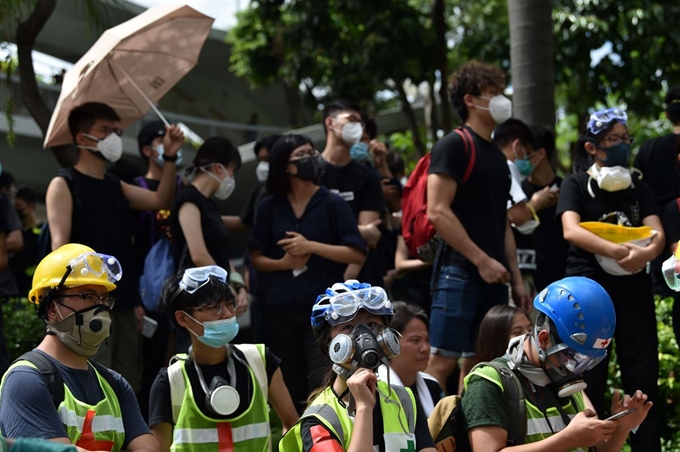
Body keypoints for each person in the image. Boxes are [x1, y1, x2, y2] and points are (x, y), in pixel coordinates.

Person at [45, 102, 184, 392]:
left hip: (119, 300)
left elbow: (161, 200)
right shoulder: (64, 183)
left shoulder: (115, 185)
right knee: (90, 379)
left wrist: (169, 156)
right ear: (82, 138)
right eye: (105, 131)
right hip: (84, 303)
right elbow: (60, 249)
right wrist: (71, 302)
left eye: (116, 131)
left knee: (125, 383)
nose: (114, 138)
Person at [556, 107, 663, 451]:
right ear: (592, 147)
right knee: (588, 378)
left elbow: (657, 233)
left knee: (643, 373)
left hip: (633, 289)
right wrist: (616, 250)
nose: (621, 146)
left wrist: (645, 254)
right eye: (612, 140)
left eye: (624, 139)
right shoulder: (575, 185)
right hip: (588, 296)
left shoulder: (638, 185)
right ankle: (589, 445)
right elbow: (570, 230)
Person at [425, 61, 527, 394]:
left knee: (481, 363)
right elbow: (437, 211)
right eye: (493, 93)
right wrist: (481, 260)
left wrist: (516, 276)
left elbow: (503, 222)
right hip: (459, 273)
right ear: (470, 100)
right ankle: (431, 439)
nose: (501, 100)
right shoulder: (453, 145)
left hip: (495, 277)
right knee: (441, 363)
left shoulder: (498, 157)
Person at [462, 277, 652, 451]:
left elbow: (595, 449)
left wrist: (623, 427)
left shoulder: (566, 380)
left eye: (589, 361)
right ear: (544, 339)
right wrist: (568, 439)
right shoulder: (488, 381)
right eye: (574, 357)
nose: (579, 368)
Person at [249, 134, 366, 413]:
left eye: (312, 152)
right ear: (285, 166)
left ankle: (326, 426)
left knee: (323, 373)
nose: (311, 158)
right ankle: (296, 430)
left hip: (325, 311)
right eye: (302, 155)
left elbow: (356, 252)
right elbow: (256, 258)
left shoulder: (333, 203)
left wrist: (312, 246)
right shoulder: (269, 206)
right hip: (280, 308)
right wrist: (284, 263)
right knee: (288, 377)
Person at [0, 243, 156, 452]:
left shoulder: (115, 384)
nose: (99, 308)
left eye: (104, 299)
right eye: (87, 296)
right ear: (50, 308)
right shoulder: (26, 380)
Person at [148, 265, 298, 451]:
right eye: (214, 307)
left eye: (230, 303)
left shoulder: (260, 360)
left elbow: (292, 426)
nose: (227, 313)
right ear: (183, 318)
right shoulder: (171, 381)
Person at [279, 280, 436, 452]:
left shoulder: (406, 399)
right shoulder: (319, 421)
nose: (364, 336)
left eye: (372, 325)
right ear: (329, 344)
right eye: (348, 327)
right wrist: (363, 408)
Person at [170, 137, 248, 352]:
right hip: (197, 301)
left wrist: (239, 286)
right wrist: (228, 291)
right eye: (231, 171)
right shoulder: (188, 200)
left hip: (217, 299)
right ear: (218, 168)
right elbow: (198, 255)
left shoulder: (210, 206)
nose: (231, 178)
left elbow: (224, 255)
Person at [133, 120, 184, 421]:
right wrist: (134, 299)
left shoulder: (183, 187)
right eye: (160, 140)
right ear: (147, 149)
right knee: (150, 361)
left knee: (176, 358)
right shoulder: (138, 188)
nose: (167, 144)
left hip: (181, 285)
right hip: (148, 289)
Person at [319, 100, 385, 283]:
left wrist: (346, 282)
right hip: (315, 277)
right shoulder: (311, 172)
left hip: (358, 281)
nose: (356, 126)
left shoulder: (368, 176)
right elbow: (306, 227)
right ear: (330, 123)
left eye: (359, 122)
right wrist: (358, 230)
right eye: (350, 119)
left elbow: (369, 237)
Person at [522, 125, 569, 292]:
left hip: (564, 281)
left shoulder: (567, 189)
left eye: (524, 151)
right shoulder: (517, 193)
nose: (518, 157)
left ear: (540, 154)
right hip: (528, 282)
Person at [378, 301, 442, 417]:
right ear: (390, 343)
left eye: (427, 340)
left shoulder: (432, 386)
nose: (425, 348)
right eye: (415, 340)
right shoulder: (375, 389)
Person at [10, 187, 43, 296]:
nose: (16, 210)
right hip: (17, 287)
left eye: (19, 206)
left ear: (30, 206)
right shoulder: (15, 234)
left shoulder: (44, 231)